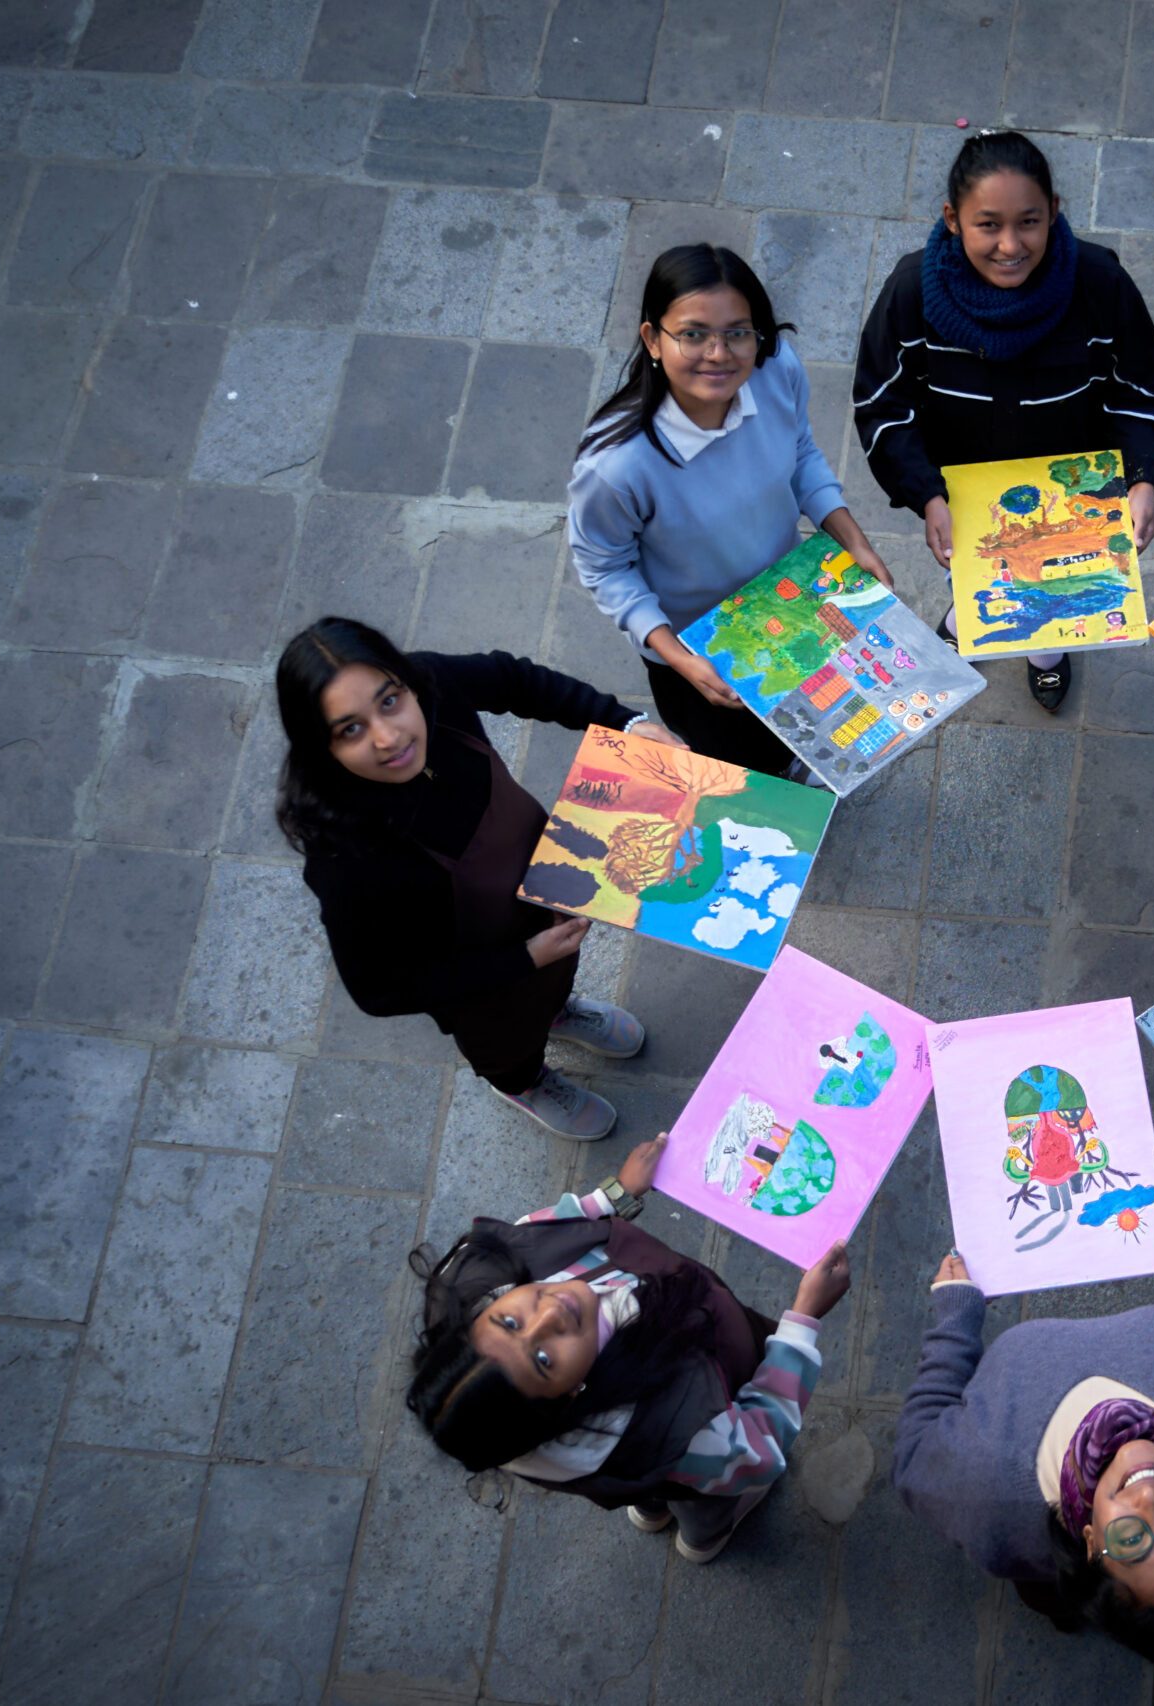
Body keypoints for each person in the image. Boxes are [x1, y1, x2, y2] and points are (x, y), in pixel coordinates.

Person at [276, 616, 678, 1140]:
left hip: (542, 897)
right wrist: (524, 959)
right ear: (320, 747)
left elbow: (515, 680)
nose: (389, 736)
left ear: (405, 683)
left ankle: (558, 1011)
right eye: (351, 729)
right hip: (481, 982)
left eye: (389, 701)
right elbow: (377, 990)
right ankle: (524, 1083)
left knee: (555, 980)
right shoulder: (343, 858)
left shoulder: (431, 683)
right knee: (506, 1042)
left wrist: (623, 724)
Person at [892, 1218, 1154, 1668]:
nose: (1149, 1500)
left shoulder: (984, 1494)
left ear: (1090, 1541)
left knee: (1049, 1590)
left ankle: (1063, 1610)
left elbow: (914, 1449)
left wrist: (955, 1326)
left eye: (1130, 1538)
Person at [405, 1134, 853, 1563]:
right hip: (707, 1403)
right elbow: (757, 1446)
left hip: (645, 1457)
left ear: (472, 1319)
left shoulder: (475, 1281)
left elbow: (540, 1231)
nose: (550, 1313)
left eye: (508, 1321)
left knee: (654, 1479)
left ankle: (650, 1504)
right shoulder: (684, 1430)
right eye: (543, 1360)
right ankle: (704, 1538)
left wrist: (614, 1194)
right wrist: (802, 1320)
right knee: (705, 1495)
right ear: (568, 1400)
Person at [852, 129, 1154, 713]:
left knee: (1058, 581)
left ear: (1054, 212)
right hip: (964, 494)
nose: (1010, 245)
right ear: (953, 219)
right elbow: (882, 404)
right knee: (979, 572)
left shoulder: (1100, 283)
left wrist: (1142, 477)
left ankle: (1046, 651)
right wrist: (926, 495)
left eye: (1028, 222)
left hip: (1074, 490)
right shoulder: (911, 292)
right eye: (988, 225)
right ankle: (965, 619)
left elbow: (1137, 388)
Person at [569, 243, 893, 776]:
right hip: (700, 645)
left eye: (738, 332)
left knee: (810, 721)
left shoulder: (776, 369)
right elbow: (604, 569)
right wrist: (681, 659)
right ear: (652, 338)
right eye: (694, 334)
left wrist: (853, 542)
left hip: (791, 598)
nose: (719, 354)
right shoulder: (615, 466)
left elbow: (801, 453)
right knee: (742, 760)